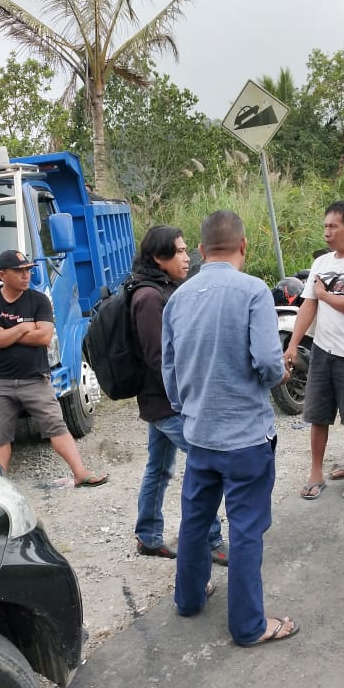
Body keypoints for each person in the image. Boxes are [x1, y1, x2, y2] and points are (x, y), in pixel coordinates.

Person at [162, 210, 300, 646]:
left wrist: (189, 408)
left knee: (195, 519)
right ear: (244, 247)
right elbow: (266, 362)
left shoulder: (178, 299)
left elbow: (170, 370)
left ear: (202, 250)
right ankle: (248, 626)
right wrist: (278, 373)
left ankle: (188, 598)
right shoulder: (253, 291)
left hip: (199, 435)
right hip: (245, 438)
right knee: (245, 530)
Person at [129, 225, 228, 566]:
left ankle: (148, 535)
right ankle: (211, 540)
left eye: (188, 250)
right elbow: (161, 358)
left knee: (159, 468)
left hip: (159, 401)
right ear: (159, 257)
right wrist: (187, 397)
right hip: (167, 402)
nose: (189, 258)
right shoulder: (149, 298)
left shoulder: (163, 289)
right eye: (181, 252)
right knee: (205, 464)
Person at [0, 249, 107, 487]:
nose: (26, 275)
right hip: (1, 382)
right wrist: (23, 329)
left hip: (35, 379)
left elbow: (44, 337)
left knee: (56, 426)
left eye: (28, 270)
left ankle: (80, 472)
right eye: (19, 271)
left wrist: (5, 333)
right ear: (2, 275)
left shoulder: (38, 300)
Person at [285, 201, 344, 500]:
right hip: (324, 351)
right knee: (318, 416)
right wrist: (292, 343)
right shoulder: (322, 263)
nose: (326, 232)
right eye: (325, 226)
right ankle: (316, 472)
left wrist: (325, 294)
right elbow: (308, 305)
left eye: (333, 226)